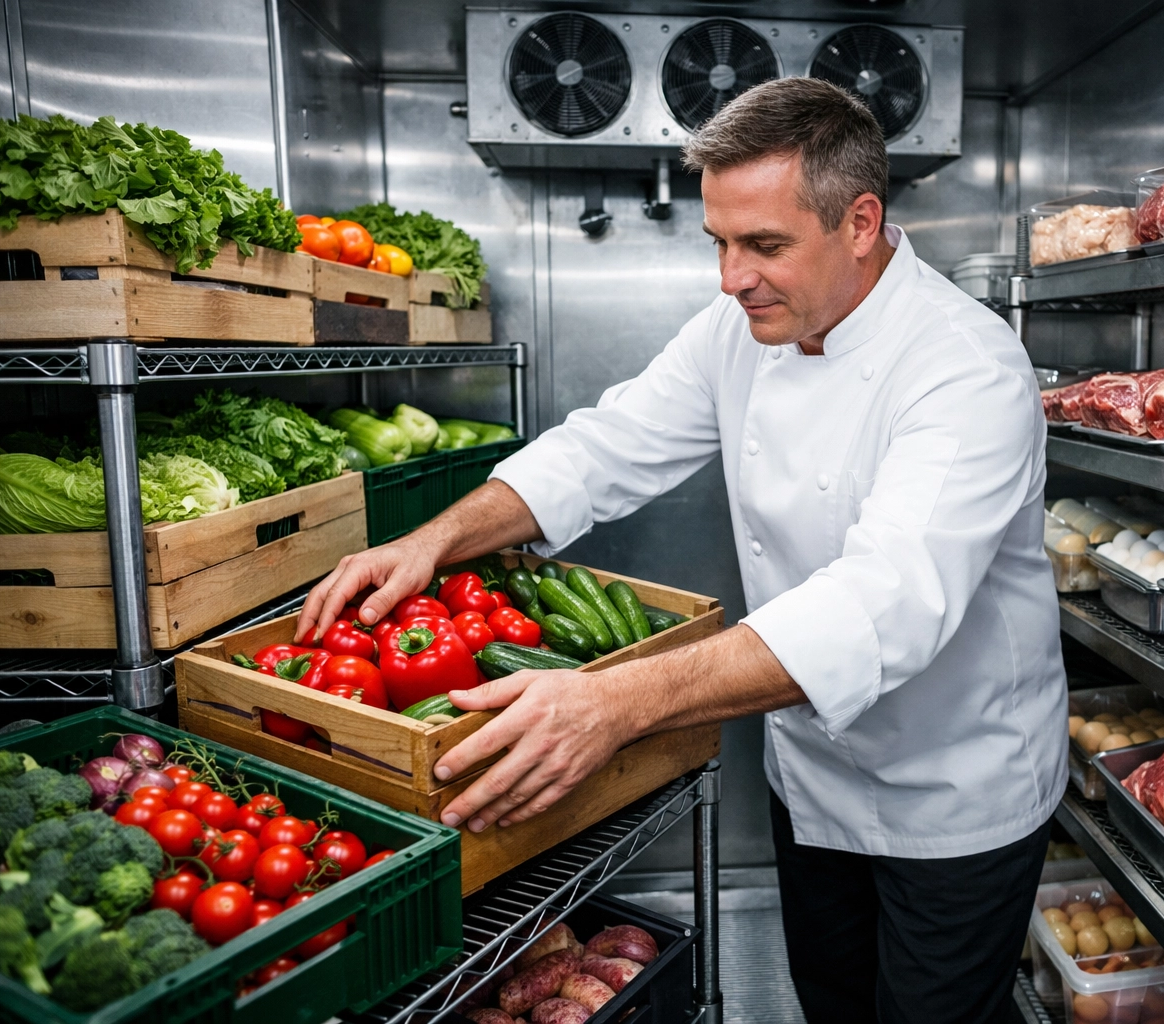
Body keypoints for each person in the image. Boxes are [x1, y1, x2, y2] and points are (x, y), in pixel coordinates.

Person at [296, 77, 1066, 1023]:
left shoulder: (965, 369)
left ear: (860, 222)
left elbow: (882, 604)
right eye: (721, 243)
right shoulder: (744, 328)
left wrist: (617, 701)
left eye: (765, 245)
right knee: (829, 999)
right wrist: (433, 539)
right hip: (813, 770)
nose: (731, 277)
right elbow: (603, 447)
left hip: (954, 790)